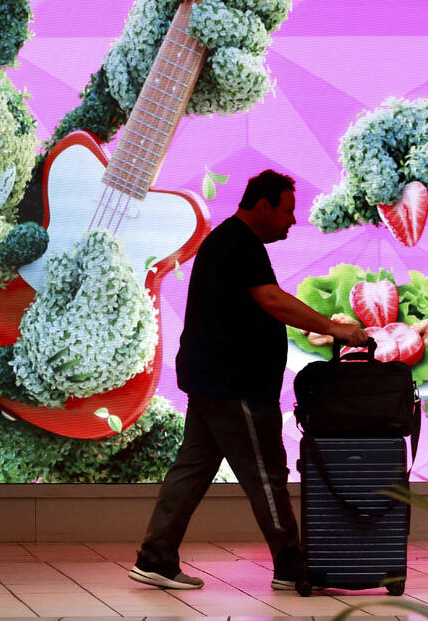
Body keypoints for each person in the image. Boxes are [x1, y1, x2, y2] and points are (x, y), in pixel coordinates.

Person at [129, 169, 369, 591]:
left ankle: (156, 556)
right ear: (262, 206)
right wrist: (336, 329)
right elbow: (273, 301)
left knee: (193, 468)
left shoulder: (229, 241)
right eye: (287, 210)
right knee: (266, 473)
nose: (292, 220)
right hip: (234, 384)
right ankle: (290, 563)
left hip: (211, 380)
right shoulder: (240, 243)